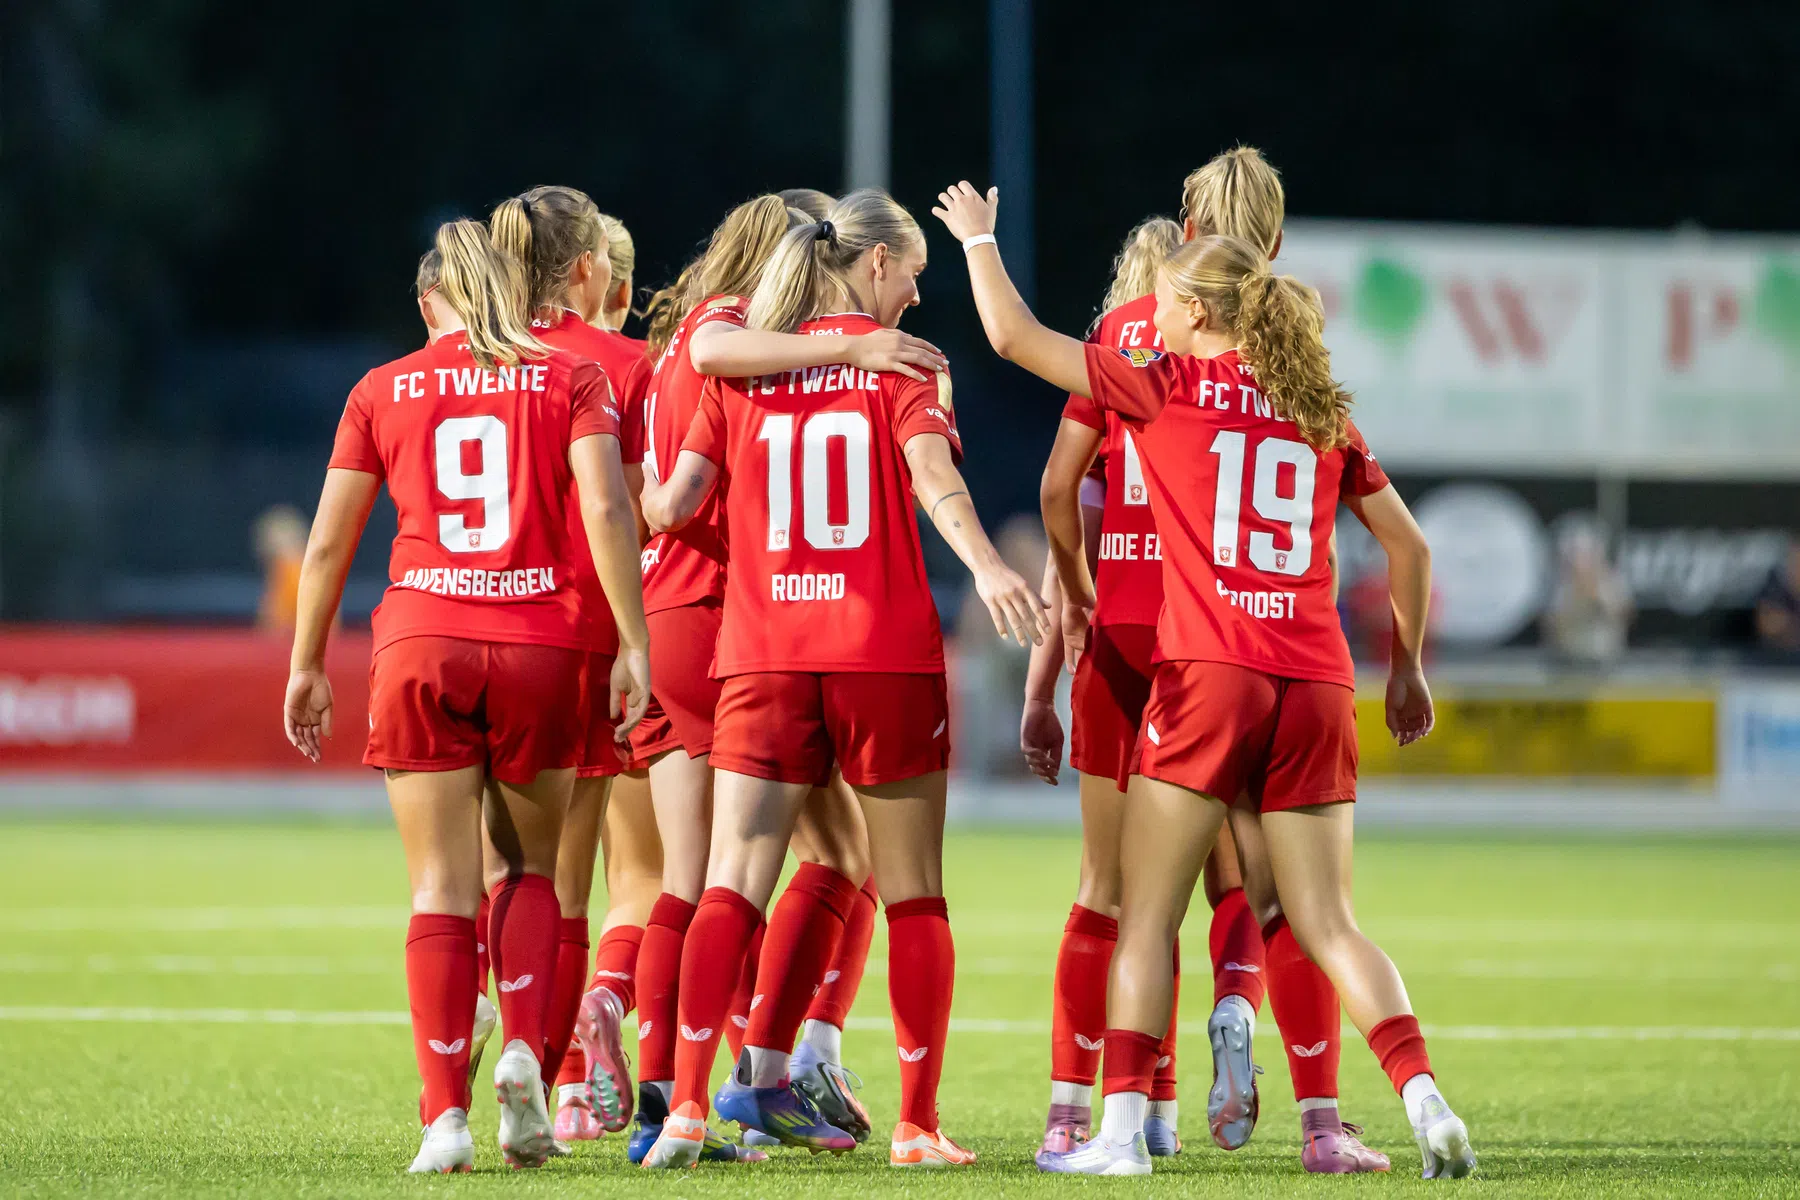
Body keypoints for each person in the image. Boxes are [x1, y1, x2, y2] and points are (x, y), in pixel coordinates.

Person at [937, 182, 1477, 1180]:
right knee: (1323, 923)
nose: (1162, 313)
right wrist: (1404, 669)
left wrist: (978, 241)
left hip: (1209, 672)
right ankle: (1422, 1097)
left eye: (1177, 298)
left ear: (1201, 310)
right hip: (1315, 679)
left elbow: (1013, 339)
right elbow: (1407, 546)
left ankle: (1119, 1134)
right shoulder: (1320, 410)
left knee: (1142, 908)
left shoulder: (1165, 385)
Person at [637, 189, 1046, 1171]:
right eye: (909, 268)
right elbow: (931, 475)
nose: (915, 289)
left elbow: (675, 500)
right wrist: (988, 564)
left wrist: (602, 513)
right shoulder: (906, 360)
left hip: (764, 651)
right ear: (870, 262)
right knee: (911, 893)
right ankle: (914, 1123)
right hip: (880, 652)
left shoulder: (745, 362)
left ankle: (687, 1108)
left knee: (732, 880)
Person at [1025, 151, 1385, 1174]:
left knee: (1114, 893)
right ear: (1270, 244)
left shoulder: (1129, 334)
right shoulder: (1285, 342)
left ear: (1186, 230)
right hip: (1236, 634)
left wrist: (1070, 607)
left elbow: (1062, 488)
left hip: (1127, 626)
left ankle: (1084, 1116)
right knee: (1266, 897)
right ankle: (1314, 1112)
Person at [281, 220, 650, 1173]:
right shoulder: (573, 379)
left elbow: (327, 543)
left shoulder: (381, 387)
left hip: (423, 640)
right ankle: (526, 1054)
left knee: (441, 889)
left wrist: (306, 661)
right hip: (542, 645)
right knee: (533, 873)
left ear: (425, 301)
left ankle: (444, 1121)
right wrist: (633, 642)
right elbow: (610, 509)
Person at [486, 186, 662, 1143]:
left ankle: (485, 1060)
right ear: (594, 271)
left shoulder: (468, 364)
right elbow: (644, 508)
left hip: (467, 629)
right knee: (591, 877)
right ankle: (559, 1084)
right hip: (587, 639)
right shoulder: (626, 366)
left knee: (497, 881)